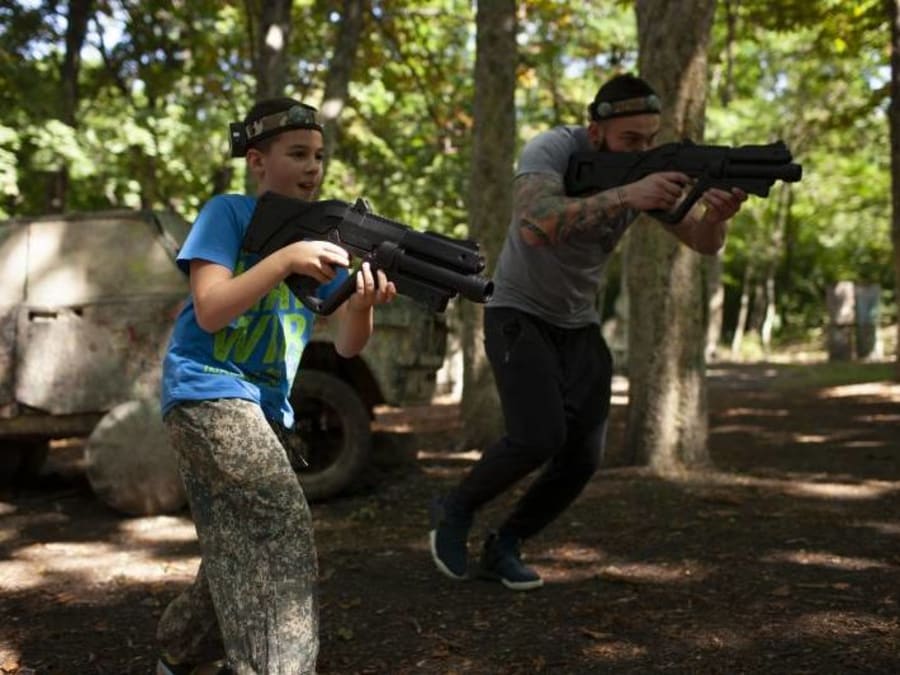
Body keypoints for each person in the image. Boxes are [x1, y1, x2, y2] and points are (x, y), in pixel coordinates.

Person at [429, 73, 747, 591]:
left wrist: (716, 217)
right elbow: (535, 223)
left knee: (583, 456)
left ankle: (506, 543)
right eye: (630, 140)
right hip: (517, 311)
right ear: (595, 131)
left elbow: (702, 242)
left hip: (578, 322)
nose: (643, 149)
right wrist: (629, 193)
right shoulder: (552, 148)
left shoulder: (647, 170)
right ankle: (455, 508)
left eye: (650, 138)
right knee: (538, 436)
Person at [156, 98, 396, 674]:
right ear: (257, 161)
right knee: (277, 526)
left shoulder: (321, 235)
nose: (313, 167)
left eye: (318, 155)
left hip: (265, 409)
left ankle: (176, 652)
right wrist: (286, 258)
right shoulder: (229, 214)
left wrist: (361, 304)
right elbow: (211, 310)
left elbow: (346, 346)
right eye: (297, 154)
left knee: (235, 547)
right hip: (206, 391)